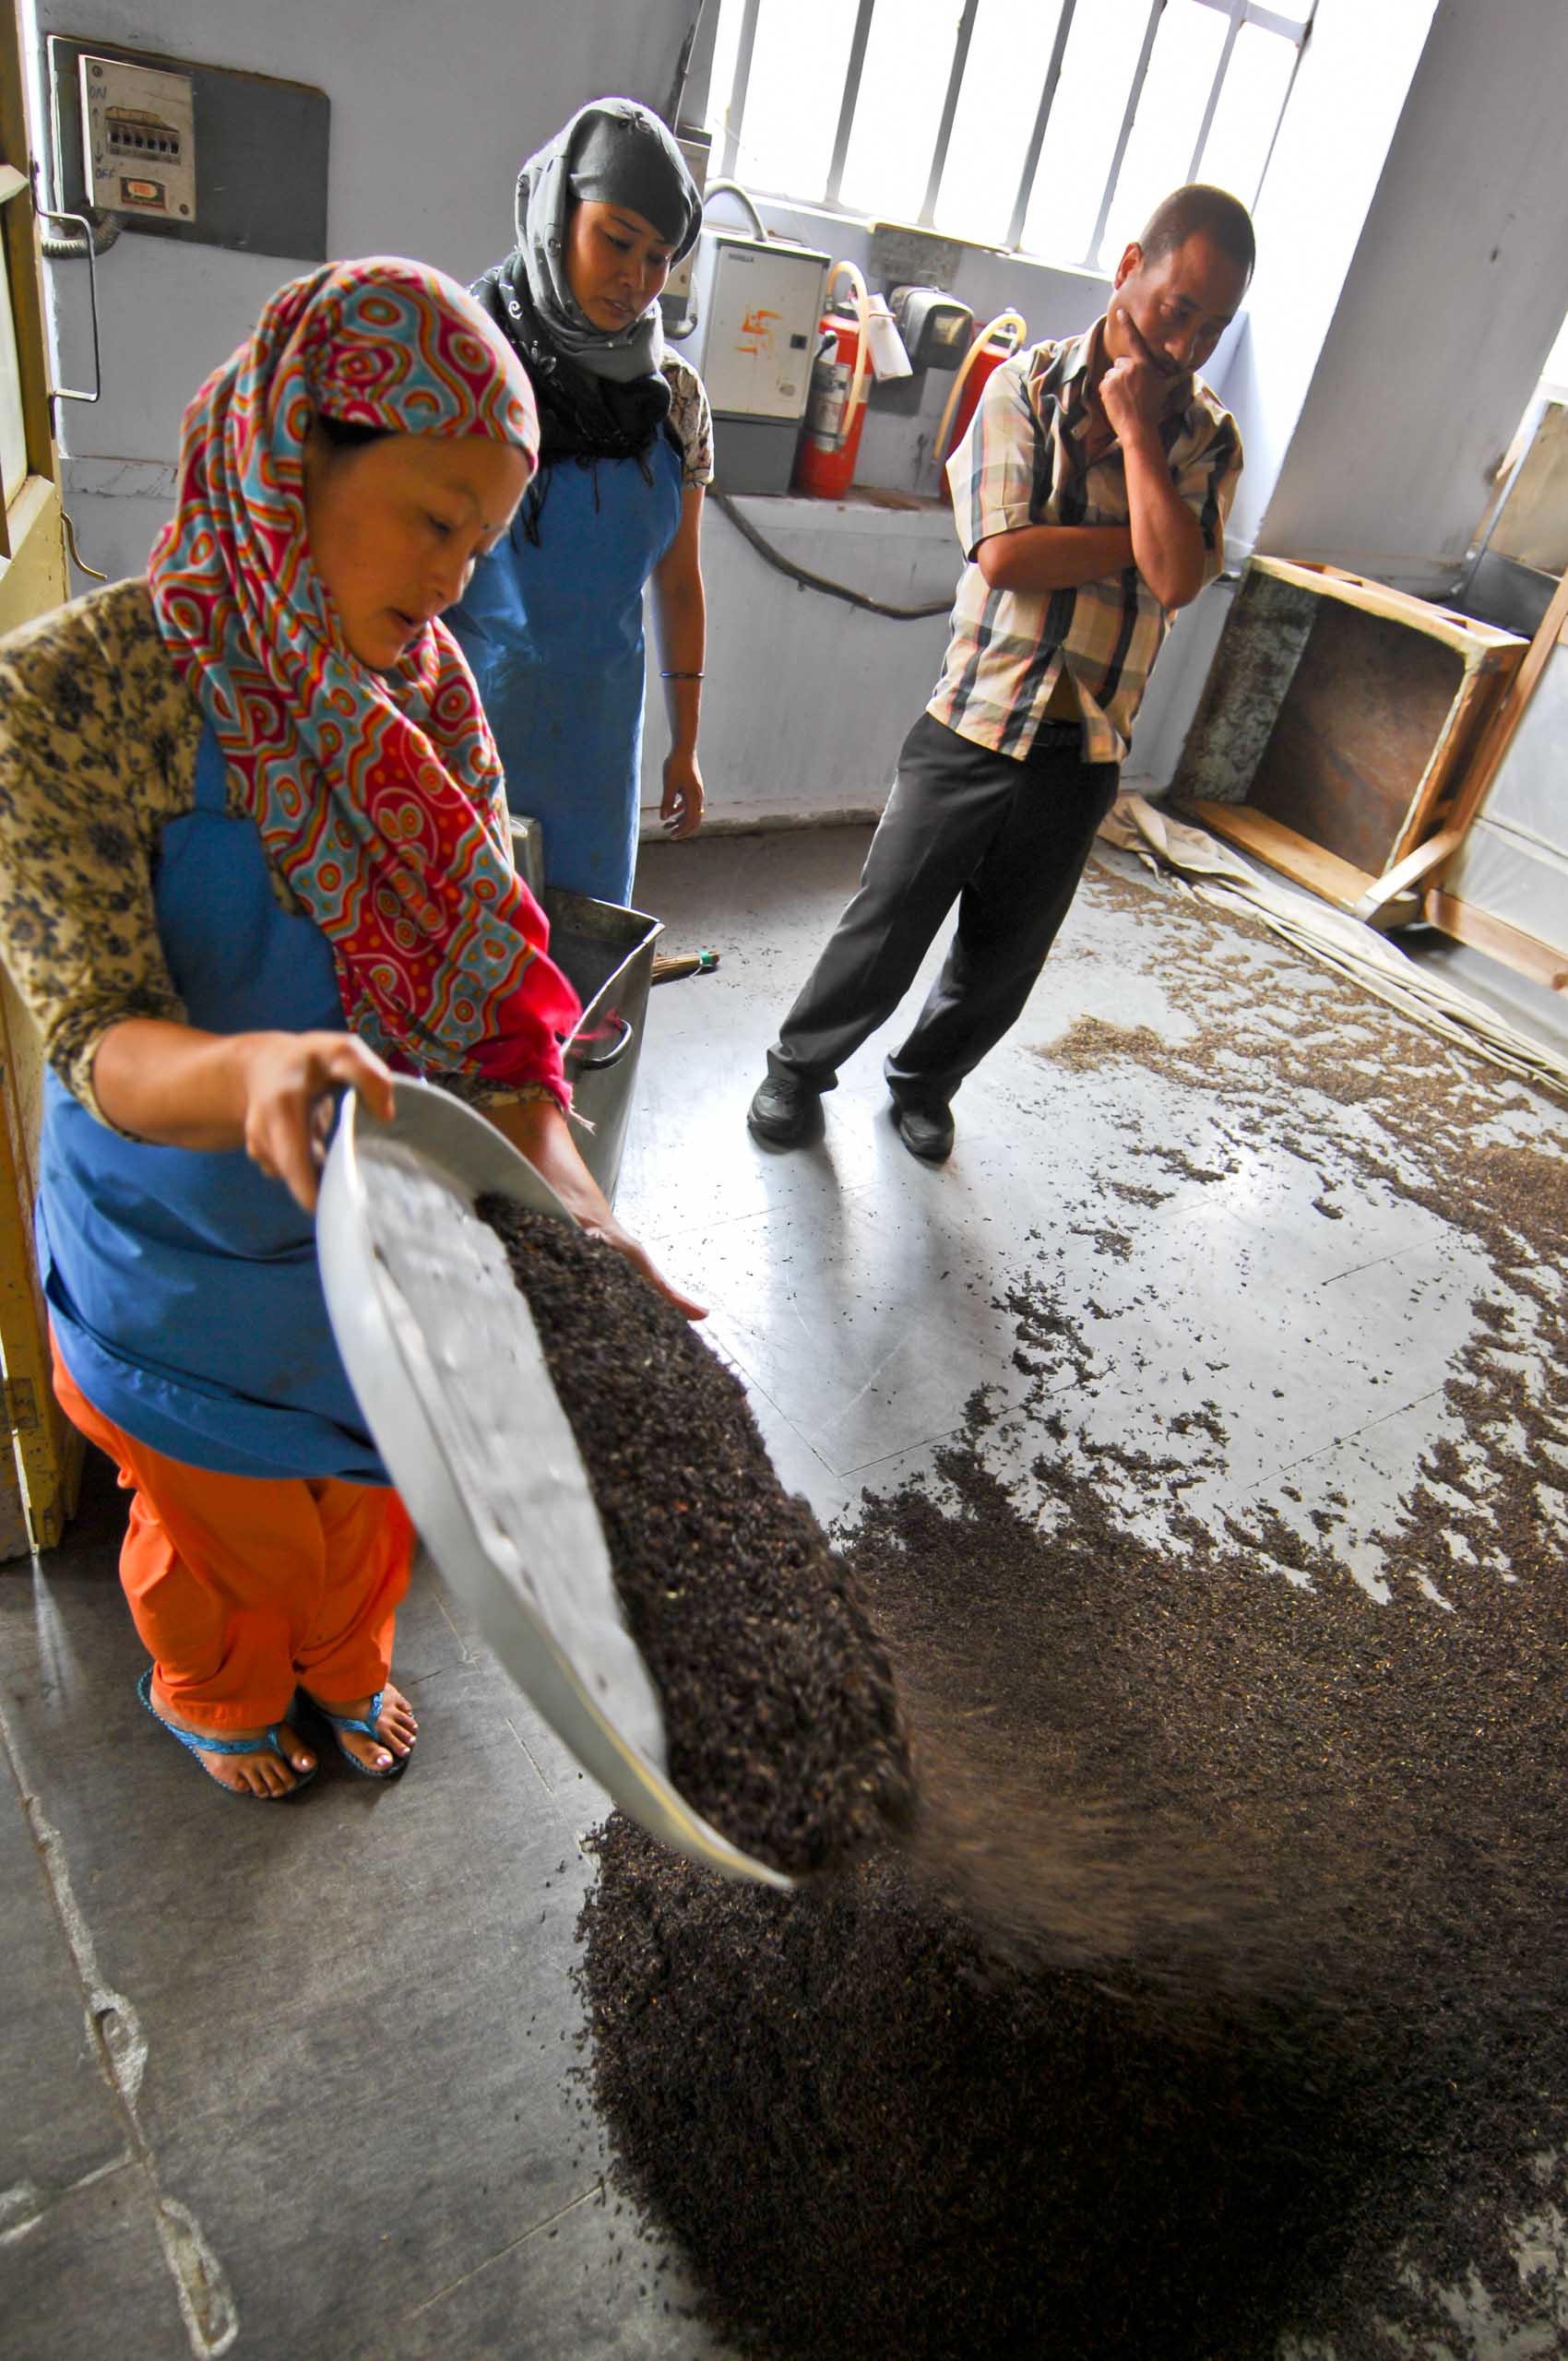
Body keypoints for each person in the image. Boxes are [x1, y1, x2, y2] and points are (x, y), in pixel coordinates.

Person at [0, 257, 699, 1802]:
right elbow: (99, 1034)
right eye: (433, 519)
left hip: (367, 1224)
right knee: (220, 1521)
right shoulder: (78, 693)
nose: (458, 579)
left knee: (367, 1493)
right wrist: (245, 1070)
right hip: (177, 1234)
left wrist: (573, 1211)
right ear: (290, 459)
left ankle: (343, 1667)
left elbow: (489, 1029)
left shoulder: (429, 704)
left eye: (486, 539)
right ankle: (219, 1690)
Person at [747, 184, 1252, 1165]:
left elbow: (1180, 580)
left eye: (1212, 326)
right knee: (885, 922)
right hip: (976, 718)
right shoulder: (1024, 386)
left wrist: (1138, 436)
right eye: (1174, 308)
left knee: (1002, 957)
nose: (1186, 342)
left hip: (1087, 740)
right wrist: (1139, 535)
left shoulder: (1205, 436)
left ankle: (923, 1085)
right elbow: (1006, 557)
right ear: (1126, 271)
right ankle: (795, 1070)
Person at [447, 96, 710, 908]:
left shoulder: (674, 400)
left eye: (661, 257)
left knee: (579, 979)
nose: (636, 280)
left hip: (597, 743)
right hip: (462, 728)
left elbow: (678, 583)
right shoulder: (465, 363)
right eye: (617, 241)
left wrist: (685, 745)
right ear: (561, 217)